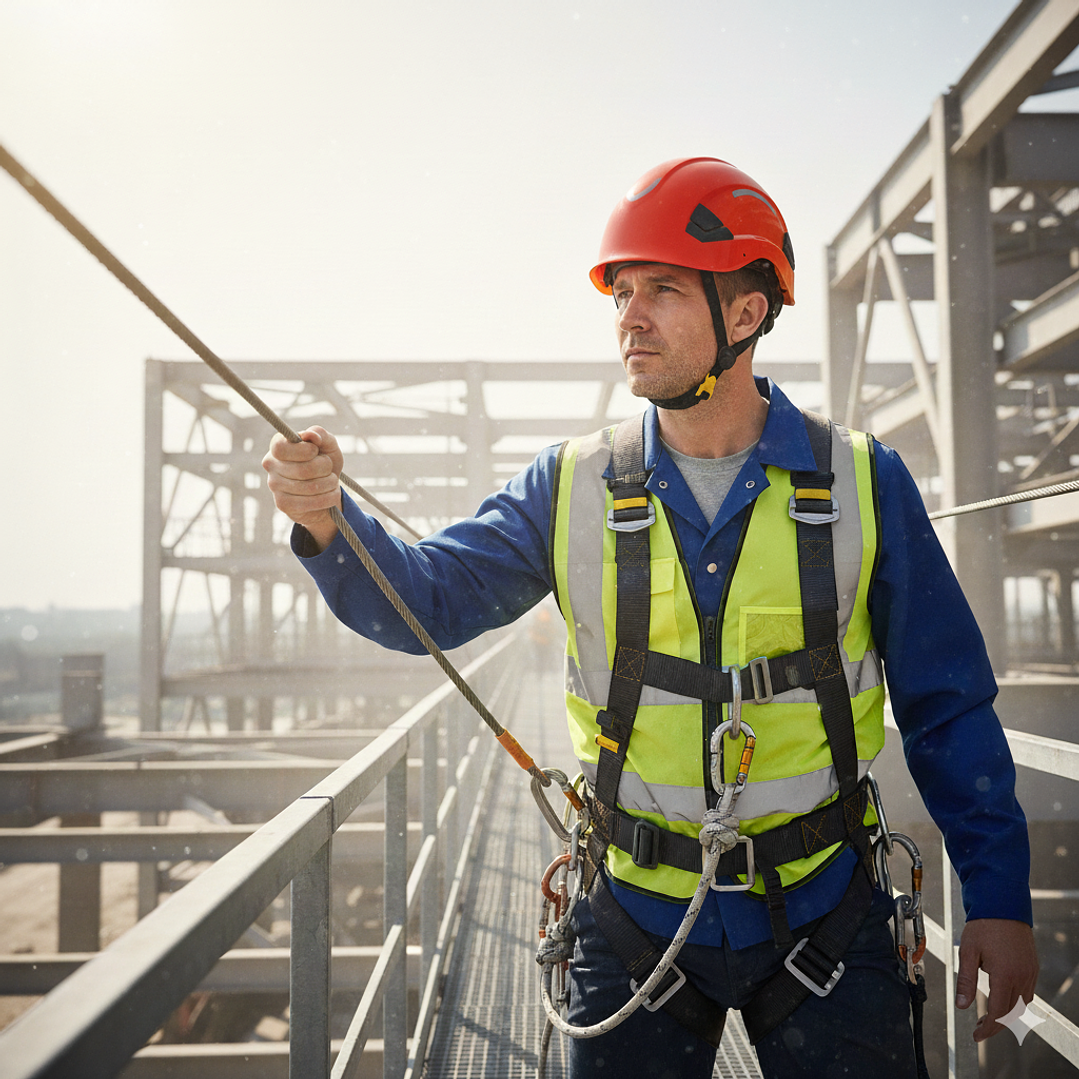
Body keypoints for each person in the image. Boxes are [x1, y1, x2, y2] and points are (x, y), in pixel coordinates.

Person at [263, 157, 1038, 1077]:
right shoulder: (570, 484)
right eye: (621, 291)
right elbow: (423, 605)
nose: (628, 316)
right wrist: (327, 521)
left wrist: (997, 894)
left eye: (661, 289)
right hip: (634, 913)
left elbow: (945, 703)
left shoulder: (863, 482)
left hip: (821, 910)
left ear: (744, 314)